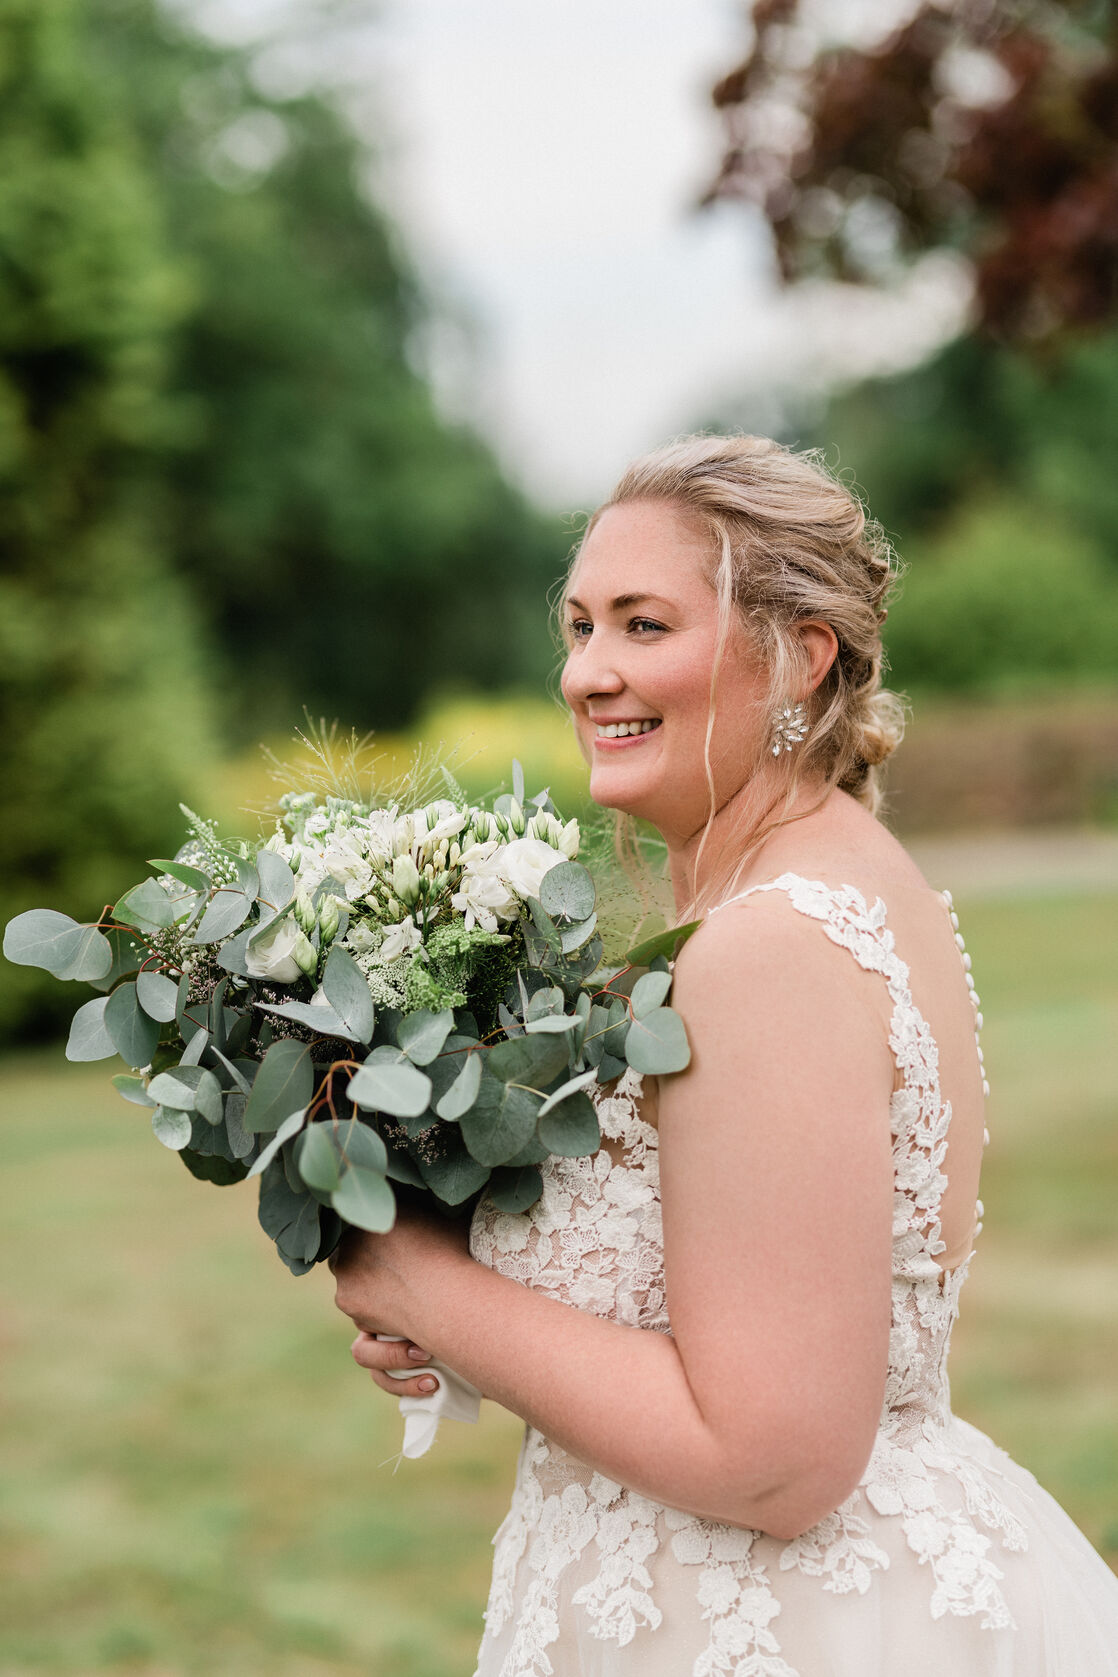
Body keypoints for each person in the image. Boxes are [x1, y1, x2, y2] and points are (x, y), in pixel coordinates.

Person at [330, 435, 1118, 1675]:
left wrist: (416, 1281)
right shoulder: (832, 881)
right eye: (580, 627)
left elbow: (775, 1456)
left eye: (643, 626)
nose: (589, 671)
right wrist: (473, 1286)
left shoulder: (767, 949)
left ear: (798, 656)